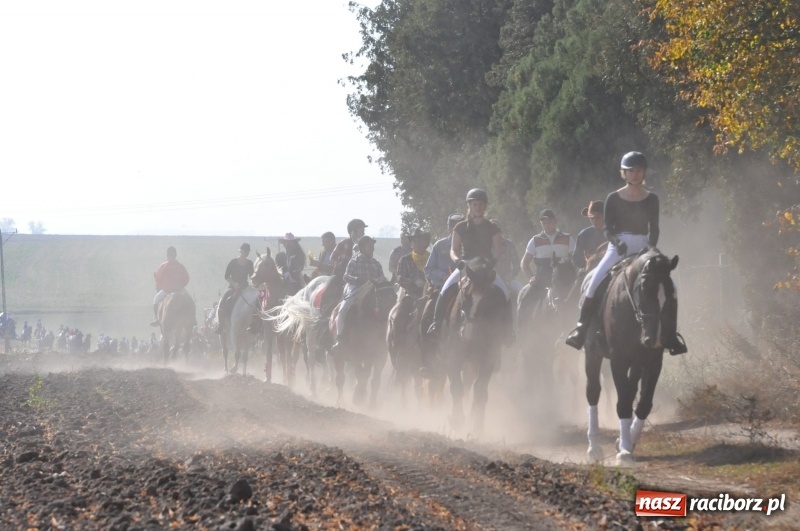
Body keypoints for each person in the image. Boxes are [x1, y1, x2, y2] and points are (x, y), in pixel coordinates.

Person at [565, 151, 687, 354]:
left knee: (671, 287)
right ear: (624, 173)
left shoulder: (652, 198)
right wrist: (615, 242)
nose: (635, 174)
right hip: (617, 245)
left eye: (639, 170)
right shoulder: (613, 197)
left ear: (644, 173)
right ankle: (581, 328)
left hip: (643, 246)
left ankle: (671, 336)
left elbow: (654, 229)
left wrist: (650, 250)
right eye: (630, 171)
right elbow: (607, 229)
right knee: (594, 281)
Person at [427, 188, 509, 338]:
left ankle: (508, 331)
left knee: (504, 291)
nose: (478, 207)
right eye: (475, 204)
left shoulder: (493, 227)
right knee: (445, 290)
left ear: (485, 206)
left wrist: (492, 263)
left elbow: (498, 251)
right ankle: (436, 323)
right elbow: (453, 250)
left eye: (481, 204)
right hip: (466, 266)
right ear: (469, 206)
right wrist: (458, 261)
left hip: (485, 267)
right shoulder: (460, 227)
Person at [331, 235, 388, 351]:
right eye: (369, 246)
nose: (372, 248)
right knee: (343, 309)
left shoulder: (376, 263)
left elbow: (382, 278)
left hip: (373, 290)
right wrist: (357, 279)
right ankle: (340, 338)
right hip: (355, 288)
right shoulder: (354, 261)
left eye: (372, 246)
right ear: (362, 248)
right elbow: (346, 277)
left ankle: (385, 335)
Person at [520, 209, 575, 303]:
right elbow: (524, 263)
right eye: (544, 223)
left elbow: (575, 260)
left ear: (555, 221)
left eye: (549, 222)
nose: (546, 225)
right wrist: (531, 277)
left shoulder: (568, 238)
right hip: (541, 281)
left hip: (564, 281)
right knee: (525, 298)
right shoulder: (534, 241)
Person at [215, 243, 255, 334]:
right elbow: (226, 276)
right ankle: (221, 325)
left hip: (245, 287)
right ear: (241, 251)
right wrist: (234, 284)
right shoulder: (233, 262)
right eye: (244, 251)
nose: (246, 253)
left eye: (247, 252)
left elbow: (252, 276)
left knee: (256, 300)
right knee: (222, 301)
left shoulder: (249, 263)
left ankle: (254, 324)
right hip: (233, 287)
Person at [150, 246, 191, 326]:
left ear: (167, 255)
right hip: (179, 290)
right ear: (175, 255)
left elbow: (158, 279)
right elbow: (187, 278)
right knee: (190, 300)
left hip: (167, 290)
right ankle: (192, 319)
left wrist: (164, 285)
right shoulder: (180, 266)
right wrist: (181, 286)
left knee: (156, 299)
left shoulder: (163, 266)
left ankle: (157, 319)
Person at [424, 214, 464, 292]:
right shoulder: (439, 245)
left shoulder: (470, 246)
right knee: (434, 303)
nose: (458, 233)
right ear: (449, 230)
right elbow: (428, 270)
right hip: (441, 287)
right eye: (455, 230)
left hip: (464, 288)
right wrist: (443, 276)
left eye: (461, 230)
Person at [572, 200, 607, 270]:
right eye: (592, 218)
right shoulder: (584, 234)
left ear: (604, 217)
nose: (594, 221)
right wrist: (589, 263)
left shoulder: (613, 232)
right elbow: (576, 258)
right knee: (580, 281)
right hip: (588, 269)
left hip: (610, 267)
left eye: (598, 217)